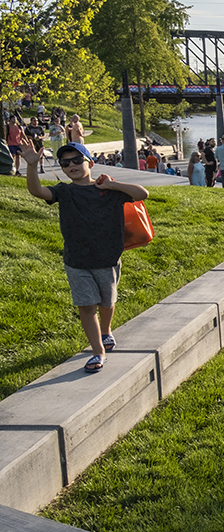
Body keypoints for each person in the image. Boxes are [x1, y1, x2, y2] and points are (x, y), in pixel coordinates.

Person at [18, 139, 149, 374]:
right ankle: (98, 351)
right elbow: (37, 191)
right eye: (65, 163)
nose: (72, 165)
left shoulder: (108, 191)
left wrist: (112, 185)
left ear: (90, 162)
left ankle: (106, 331)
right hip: (77, 261)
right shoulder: (64, 191)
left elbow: (142, 193)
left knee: (107, 302)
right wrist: (30, 166)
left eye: (77, 160)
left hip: (107, 258)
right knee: (86, 306)